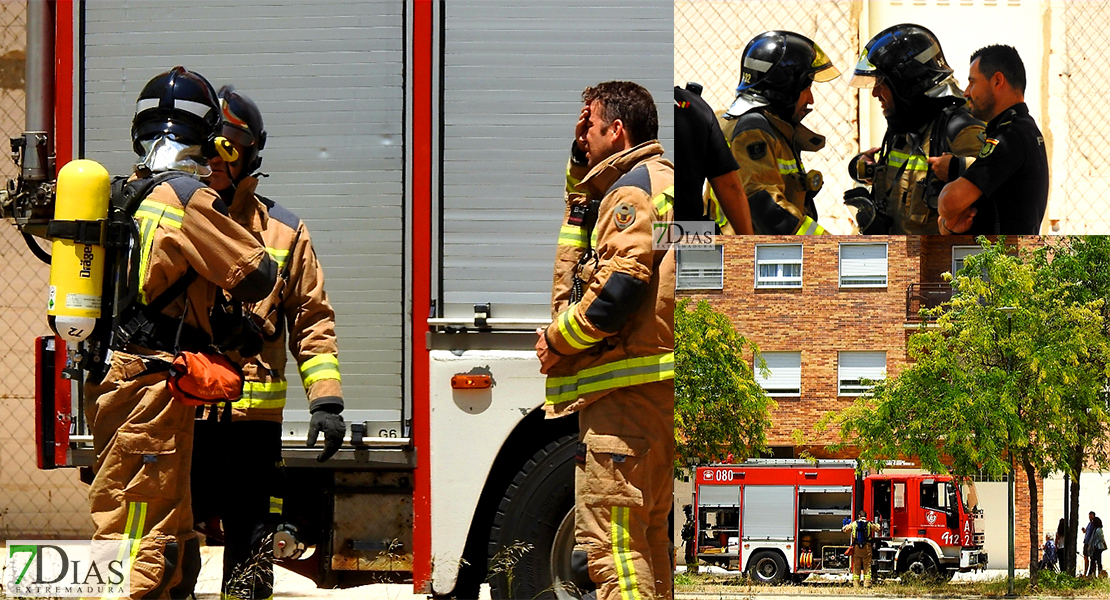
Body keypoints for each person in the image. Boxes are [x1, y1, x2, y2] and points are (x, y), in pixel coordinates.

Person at [85, 67, 276, 599]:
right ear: (206, 133)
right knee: (142, 526)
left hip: (114, 374)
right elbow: (257, 272)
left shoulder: (126, 194)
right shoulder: (183, 196)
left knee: (159, 514)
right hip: (150, 386)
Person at [190, 86, 346, 600]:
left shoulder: (283, 230)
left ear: (249, 154)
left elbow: (311, 316)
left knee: (253, 544)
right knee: (174, 539)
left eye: (226, 149)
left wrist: (325, 402)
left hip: (252, 425)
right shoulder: (177, 216)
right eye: (205, 148)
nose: (213, 160)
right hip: (183, 414)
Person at [536, 80, 674, 600]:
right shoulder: (668, 183)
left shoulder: (629, 193)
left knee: (611, 550)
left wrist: (557, 339)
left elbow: (617, 289)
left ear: (616, 130)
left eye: (589, 128)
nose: (583, 138)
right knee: (650, 543)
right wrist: (579, 177)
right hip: (660, 394)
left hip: (625, 402)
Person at [845, 24, 985, 235]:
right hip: (895, 259)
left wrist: (958, 168)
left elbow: (991, 186)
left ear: (907, 84)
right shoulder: (902, 128)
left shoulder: (960, 130)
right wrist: (867, 169)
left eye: (882, 82)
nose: (875, 93)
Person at [719, 30, 839, 235]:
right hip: (747, 258)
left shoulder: (769, 129)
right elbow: (769, 211)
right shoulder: (752, 132)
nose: (811, 100)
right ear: (785, 87)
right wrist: (829, 247)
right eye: (806, 87)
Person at [933, 44, 1049, 235]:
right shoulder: (1020, 129)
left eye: (972, 82)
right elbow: (949, 223)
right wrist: (947, 225)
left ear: (997, 81)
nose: (966, 92)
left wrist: (953, 172)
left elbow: (948, 203)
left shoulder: (1010, 137)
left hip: (1002, 260)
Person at [674, 83, 753, 234]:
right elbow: (729, 186)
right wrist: (748, 246)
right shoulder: (695, 106)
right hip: (692, 236)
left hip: (640, 234)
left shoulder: (628, 108)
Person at [842, 510, 881, 587]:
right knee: (867, 567)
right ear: (866, 516)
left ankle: (856, 584)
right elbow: (878, 529)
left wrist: (845, 525)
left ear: (859, 516)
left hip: (857, 548)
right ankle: (867, 584)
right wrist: (877, 523)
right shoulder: (869, 524)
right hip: (867, 548)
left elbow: (845, 530)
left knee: (857, 566)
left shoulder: (854, 524)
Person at [682, 504, 698, 573]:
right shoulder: (689, 520)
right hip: (688, 540)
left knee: (692, 556)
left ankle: (694, 571)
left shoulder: (693, 520)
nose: (686, 514)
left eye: (686, 512)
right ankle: (689, 570)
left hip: (692, 541)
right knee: (688, 556)